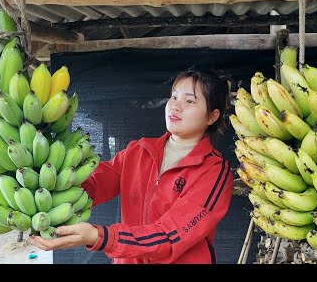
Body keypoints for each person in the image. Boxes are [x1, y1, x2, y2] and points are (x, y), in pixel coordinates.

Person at [28, 66, 234, 264]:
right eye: (174, 97)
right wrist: (43, 183)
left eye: (190, 101)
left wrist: (100, 237)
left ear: (212, 116)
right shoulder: (139, 151)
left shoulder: (214, 171)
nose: (175, 106)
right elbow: (93, 185)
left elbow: (170, 236)